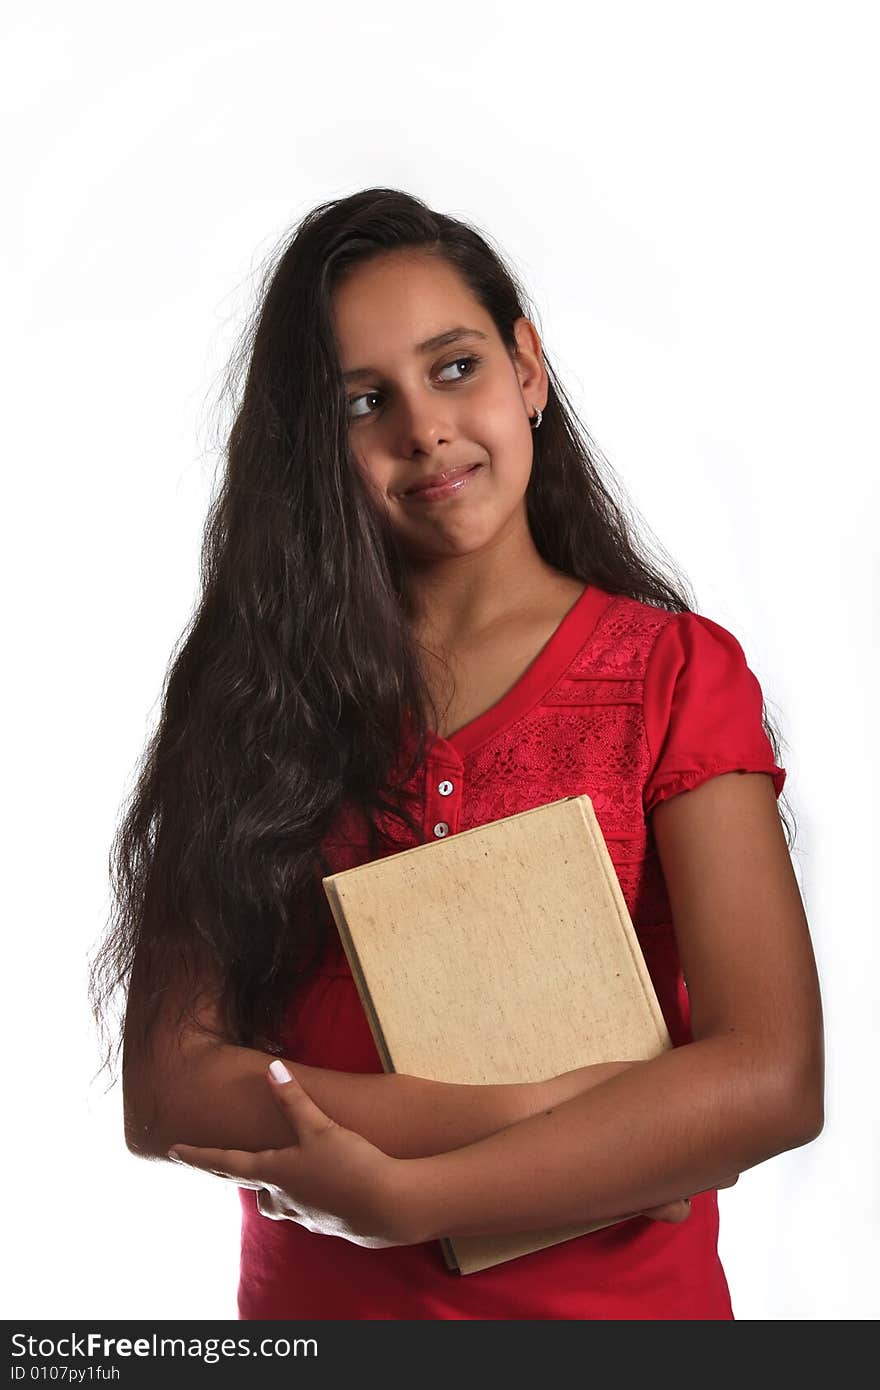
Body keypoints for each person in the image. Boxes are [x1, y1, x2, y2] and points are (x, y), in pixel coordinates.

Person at [91, 186, 824, 1321]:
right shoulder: (250, 699)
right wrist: (584, 1104)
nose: (423, 429)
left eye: (453, 367)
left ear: (527, 369)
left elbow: (768, 1082)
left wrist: (410, 1197)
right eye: (361, 401)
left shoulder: (674, 674)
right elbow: (173, 1088)